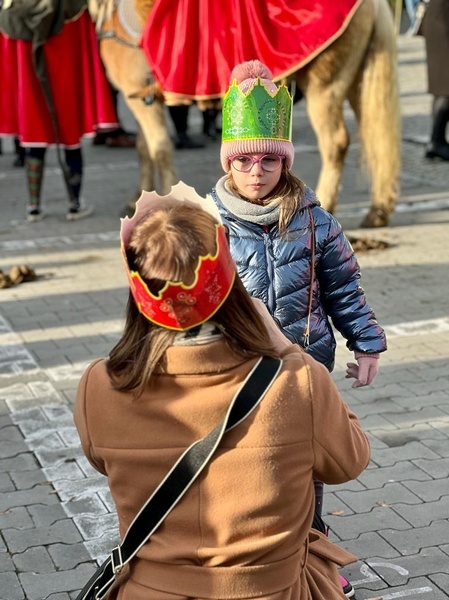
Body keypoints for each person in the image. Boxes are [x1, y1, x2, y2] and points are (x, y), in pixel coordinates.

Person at [73, 181, 370, 600]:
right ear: (231, 282)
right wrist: (285, 348)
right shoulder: (297, 379)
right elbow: (349, 462)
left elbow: (104, 461)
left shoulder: (100, 385)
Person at [209, 59, 387, 597]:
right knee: (245, 464)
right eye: (245, 161)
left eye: (268, 160)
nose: (257, 171)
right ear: (230, 165)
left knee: (304, 462)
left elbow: (344, 288)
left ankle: (313, 548)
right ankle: (248, 552)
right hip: (235, 370)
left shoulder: (315, 220)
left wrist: (368, 343)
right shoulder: (208, 223)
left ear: (284, 163)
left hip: (304, 365)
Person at [0, 1, 119, 222]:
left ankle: (33, 207)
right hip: (65, 81)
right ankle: (74, 204)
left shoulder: (11, 8)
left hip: (29, 85)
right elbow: (86, 49)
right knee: (70, 136)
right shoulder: (74, 6)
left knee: (33, 137)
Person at [421, 0, 449, 161]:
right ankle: (436, 141)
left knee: (442, 85)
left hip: (439, 17)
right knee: (445, 87)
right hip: (442, 19)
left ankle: (438, 140)